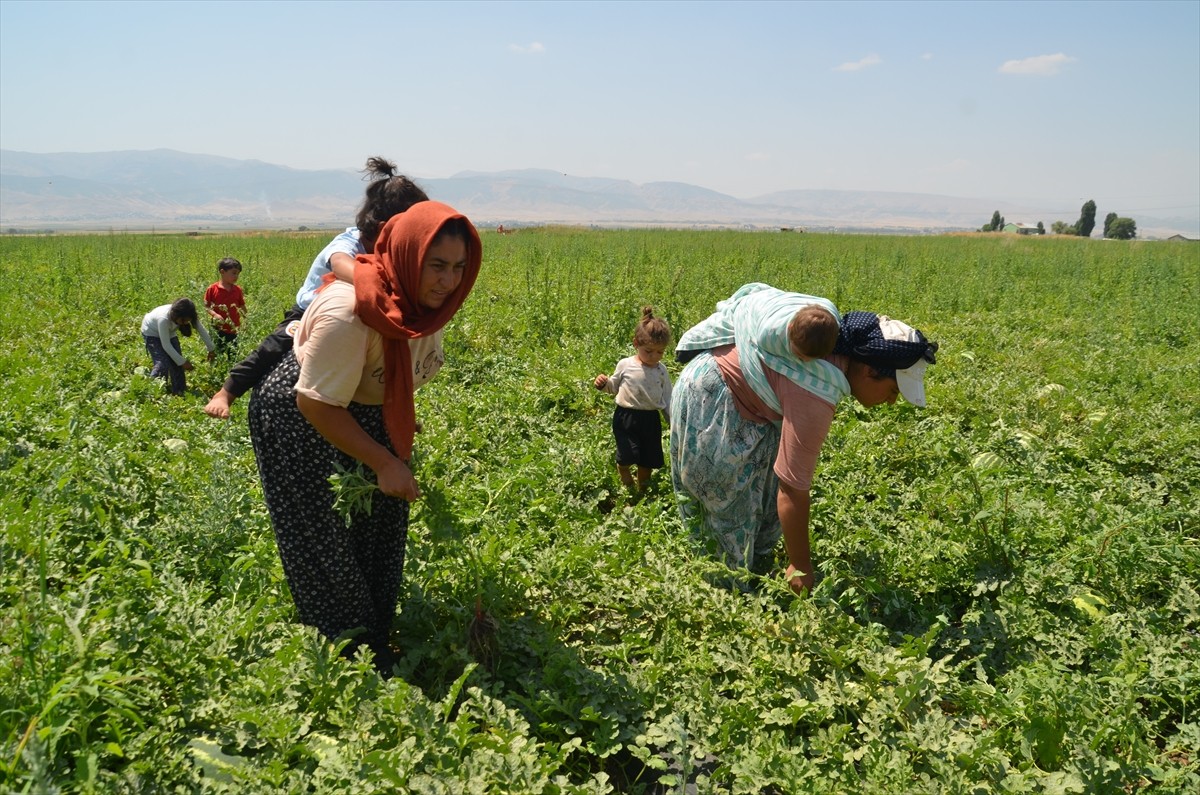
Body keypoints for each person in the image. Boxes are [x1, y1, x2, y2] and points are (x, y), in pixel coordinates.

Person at [247, 201, 481, 672]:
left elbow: (396, 369)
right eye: (436, 265)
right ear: (408, 255)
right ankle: (350, 656)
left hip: (359, 403)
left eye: (458, 267)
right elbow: (314, 402)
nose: (448, 281)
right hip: (301, 412)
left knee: (382, 523)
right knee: (322, 536)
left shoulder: (420, 306)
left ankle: (374, 629)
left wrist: (395, 414)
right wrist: (383, 461)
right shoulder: (348, 311)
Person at [670, 283, 937, 595]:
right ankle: (723, 597)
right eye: (893, 391)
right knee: (726, 517)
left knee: (761, 507)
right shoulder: (816, 392)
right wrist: (802, 568)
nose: (892, 402)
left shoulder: (828, 347)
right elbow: (793, 489)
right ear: (868, 370)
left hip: (726, 388)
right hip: (712, 398)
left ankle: (755, 568)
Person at [204, 157, 429, 418]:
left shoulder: (390, 250)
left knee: (389, 359)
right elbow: (342, 265)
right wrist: (374, 282)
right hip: (309, 312)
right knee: (275, 346)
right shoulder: (348, 243)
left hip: (358, 314)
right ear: (384, 228)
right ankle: (227, 392)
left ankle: (394, 414)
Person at [593, 306, 673, 493]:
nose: (654, 357)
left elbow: (668, 398)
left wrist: (673, 422)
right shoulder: (626, 365)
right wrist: (603, 384)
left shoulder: (661, 371)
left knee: (647, 459)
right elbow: (613, 387)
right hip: (626, 416)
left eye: (660, 352)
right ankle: (624, 472)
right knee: (627, 454)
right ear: (636, 343)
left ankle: (642, 489)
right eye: (648, 351)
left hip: (651, 419)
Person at [140, 297, 216, 395]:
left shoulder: (187, 315)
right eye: (184, 321)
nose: (185, 323)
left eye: (187, 321)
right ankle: (153, 391)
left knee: (176, 363)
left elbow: (202, 331)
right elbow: (166, 345)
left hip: (169, 333)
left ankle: (179, 391)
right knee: (162, 363)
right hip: (151, 333)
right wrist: (183, 362)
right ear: (176, 315)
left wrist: (211, 349)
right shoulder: (163, 319)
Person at [204, 257, 246, 355]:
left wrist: (246, 321)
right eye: (234, 273)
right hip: (218, 329)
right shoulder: (212, 289)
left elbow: (242, 306)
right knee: (217, 352)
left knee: (233, 353)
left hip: (234, 329)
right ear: (222, 272)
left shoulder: (237, 290)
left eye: (238, 274)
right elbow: (207, 306)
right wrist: (215, 315)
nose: (236, 276)